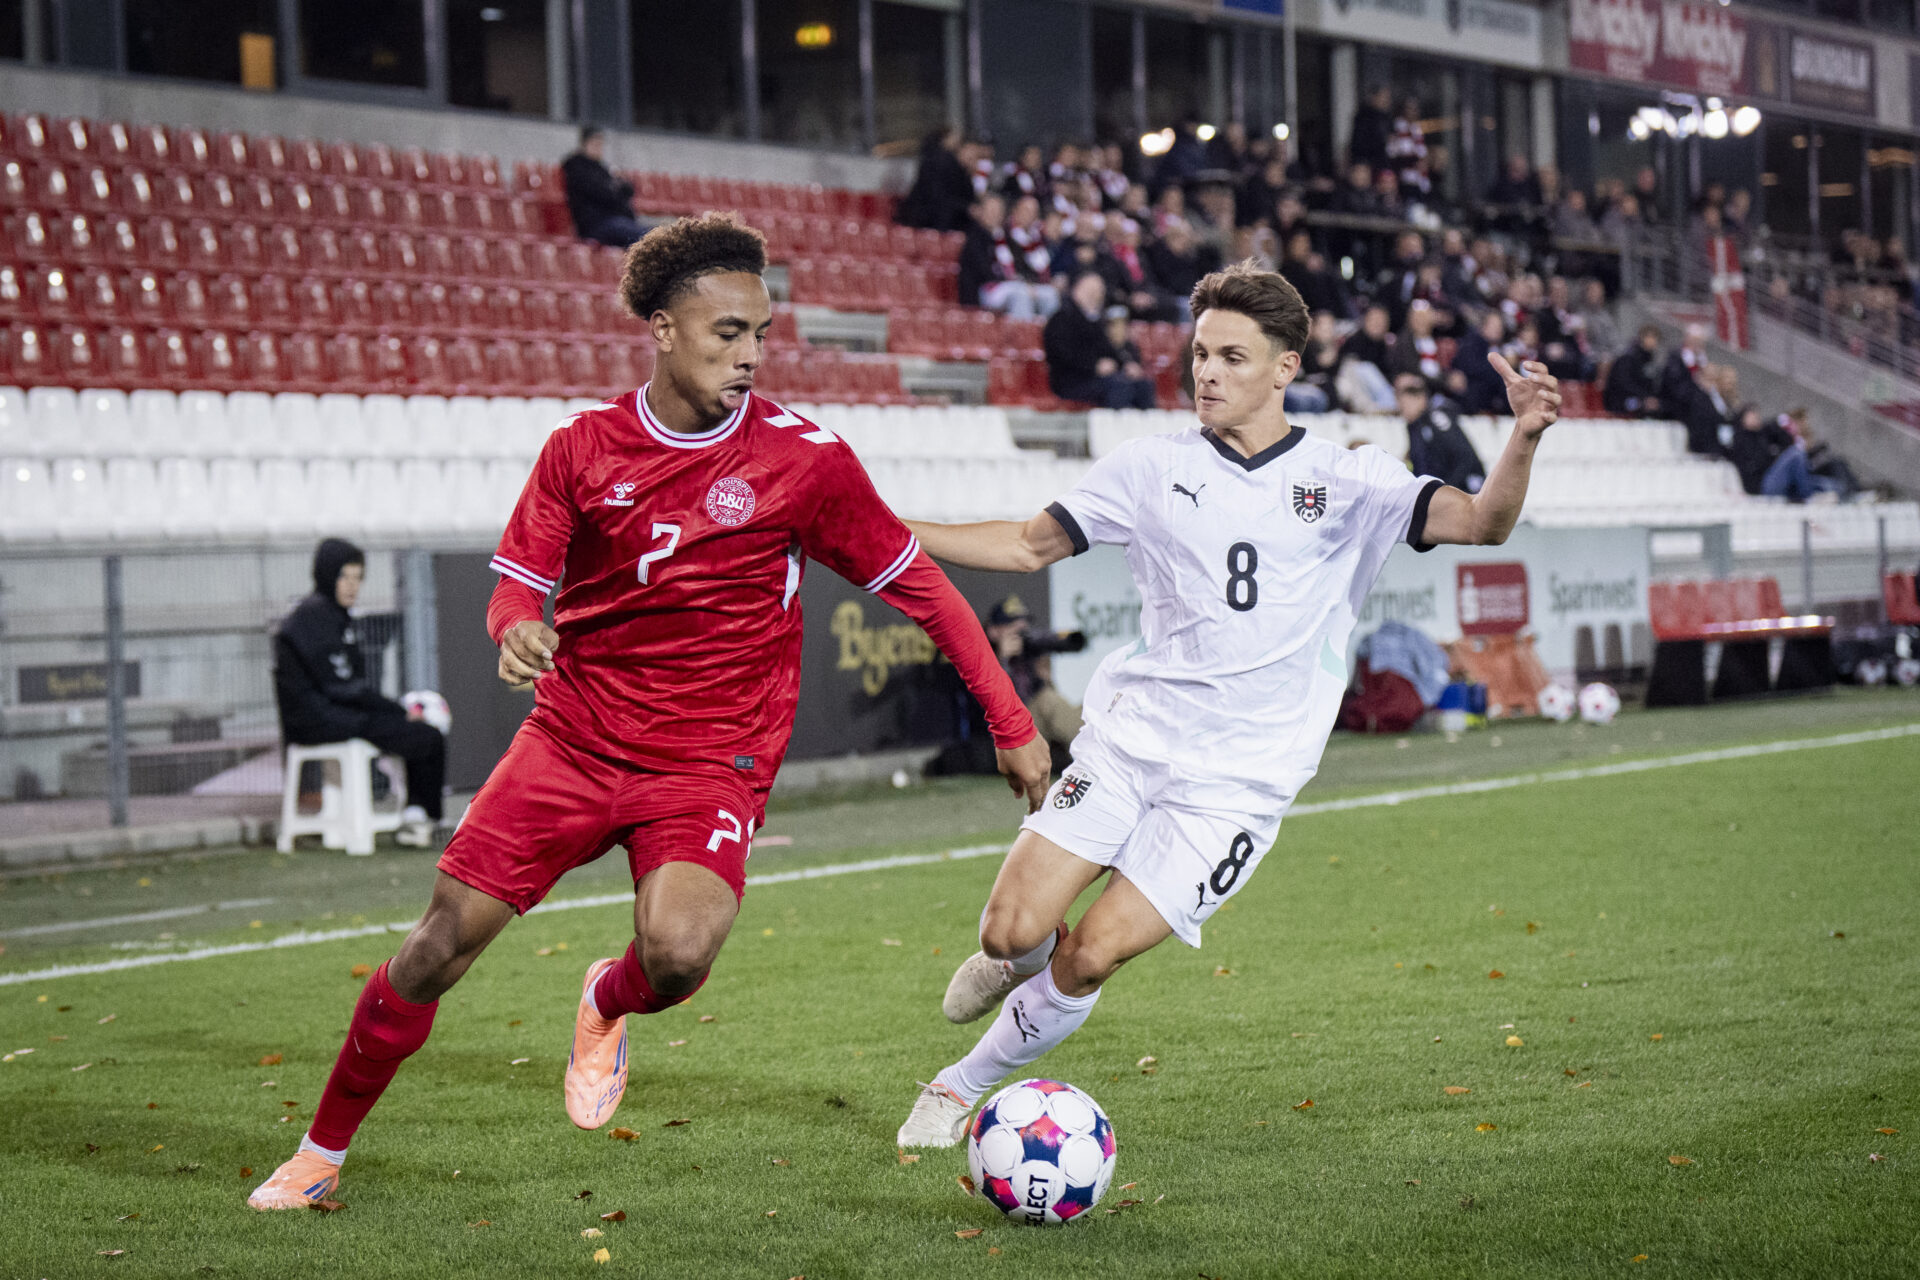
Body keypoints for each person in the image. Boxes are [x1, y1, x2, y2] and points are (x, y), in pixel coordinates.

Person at [247, 213, 1052, 1210]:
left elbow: (921, 586)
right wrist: (513, 630)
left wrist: (1010, 718)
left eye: (761, 332)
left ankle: (605, 997)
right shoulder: (581, 448)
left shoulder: (807, 462)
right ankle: (320, 1153)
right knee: (438, 942)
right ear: (664, 329)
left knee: (676, 954)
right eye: (727, 333)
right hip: (574, 736)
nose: (751, 354)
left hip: (710, 759)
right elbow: (515, 587)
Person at [892, 262, 1560, 1148]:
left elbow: (1484, 524)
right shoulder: (1149, 467)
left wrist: (1523, 439)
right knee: (1012, 927)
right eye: (1201, 353)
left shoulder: (1348, 479)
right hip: (1132, 746)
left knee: (1090, 953)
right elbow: (1024, 545)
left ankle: (955, 1088)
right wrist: (886, 528)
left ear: (1285, 368)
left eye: (1232, 357)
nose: (1206, 372)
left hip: (1237, 786)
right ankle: (1008, 955)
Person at [274, 538, 445, 849]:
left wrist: (391, 710)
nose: (352, 586)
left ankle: (417, 814)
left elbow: (348, 687)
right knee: (426, 737)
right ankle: (420, 818)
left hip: (332, 712)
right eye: (344, 576)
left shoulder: (334, 617)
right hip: (318, 719)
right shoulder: (314, 618)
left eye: (357, 578)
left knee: (420, 733)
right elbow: (340, 687)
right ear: (326, 575)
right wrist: (397, 710)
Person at [1044, 272, 1156, 410]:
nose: (1096, 296)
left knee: (1143, 385)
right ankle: (1113, 429)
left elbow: (1109, 350)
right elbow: (1061, 354)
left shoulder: (1097, 321)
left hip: (1099, 378)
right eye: (1092, 291)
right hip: (1072, 380)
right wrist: (1094, 366)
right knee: (1119, 387)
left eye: (1099, 292)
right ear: (1077, 290)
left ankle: (1145, 429)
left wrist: (1125, 365)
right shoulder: (1061, 319)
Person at [957, 193, 1060, 321]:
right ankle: (1022, 336)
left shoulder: (1007, 236)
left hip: (1011, 285)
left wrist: (1027, 283)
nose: (994, 215)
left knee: (1050, 294)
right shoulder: (975, 238)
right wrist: (1017, 282)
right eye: (990, 210)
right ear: (981, 211)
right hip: (985, 290)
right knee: (1020, 293)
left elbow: (1021, 267)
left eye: (998, 211)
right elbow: (984, 272)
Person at [1397, 374, 1485, 493]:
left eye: (1405, 405)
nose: (1403, 411)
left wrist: (1446, 488)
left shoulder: (1436, 418)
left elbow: (1464, 456)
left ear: (1421, 399)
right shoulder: (1413, 427)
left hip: (1466, 487)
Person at [561, 126, 643, 249]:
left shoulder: (602, 168)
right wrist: (614, 188)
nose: (599, 147)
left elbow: (628, 189)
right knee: (643, 236)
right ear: (585, 144)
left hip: (615, 221)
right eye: (595, 143)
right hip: (595, 225)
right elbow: (601, 193)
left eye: (600, 144)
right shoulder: (576, 167)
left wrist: (614, 187)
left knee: (653, 234)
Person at [896, 127, 975, 232]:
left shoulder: (931, 159)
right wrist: (966, 208)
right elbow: (942, 196)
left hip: (924, 217)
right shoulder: (945, 163)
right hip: (934, 220)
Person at [1602, 326, 1664, 416]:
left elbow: (1650, 384)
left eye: (1655, 338)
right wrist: (1644, 397)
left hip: (1641, 398)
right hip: (1621, 400)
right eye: (1650, 337)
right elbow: (1624, 383)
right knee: (1641, 406)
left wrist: (1651, 398)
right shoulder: (1628, 357)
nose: (1652, 341)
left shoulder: (1650, 360)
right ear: (1642, 337)